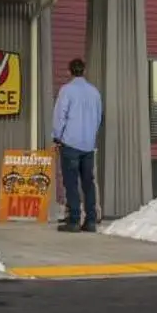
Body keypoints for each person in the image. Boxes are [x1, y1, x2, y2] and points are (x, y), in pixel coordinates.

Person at [52, 58, 103, 232]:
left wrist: (57, 137)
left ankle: (73, 220)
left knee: (71, 182)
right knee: (88, 182)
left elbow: (60, 116)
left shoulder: (66, 90)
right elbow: (98, 118)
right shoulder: (94, 92)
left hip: (70, 143)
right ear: (84, 70)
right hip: (88, 145)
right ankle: (90, 220)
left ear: (69, 71)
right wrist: (90, 136)